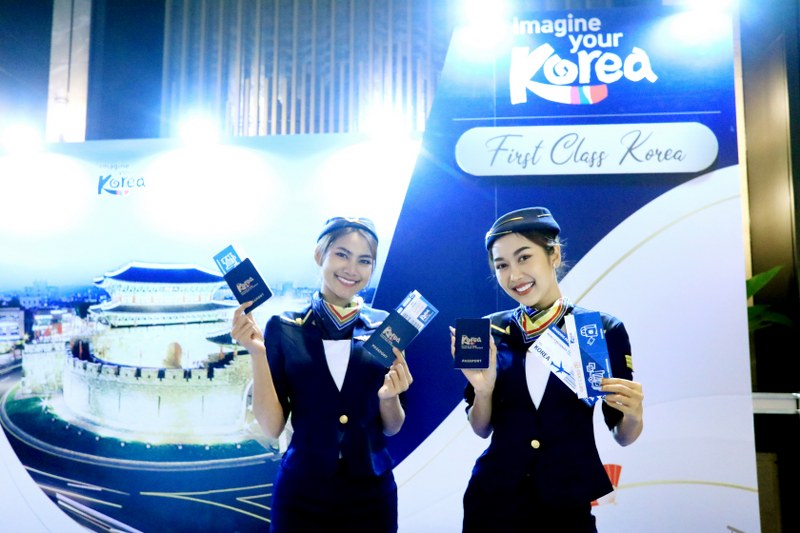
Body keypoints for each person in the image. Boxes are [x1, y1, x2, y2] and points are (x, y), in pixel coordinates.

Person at [452, 206, 644, 533]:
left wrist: (634, 415)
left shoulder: (596, 330)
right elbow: (481, 429)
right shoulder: (487, 331)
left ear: (554, 254)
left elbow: (622, 435)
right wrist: (483, 392)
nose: (514, 275)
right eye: (502, 265)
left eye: (524, 257)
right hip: (493, 502)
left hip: (566, 505)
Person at [231, 216, 413, 533]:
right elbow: (273, 427)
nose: (352, 269)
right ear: (320, 255)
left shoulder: (386, 327)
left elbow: (393, 427)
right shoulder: (284, 327)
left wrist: (389, 398)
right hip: (302, 494)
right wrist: (257, 355)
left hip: (371, 494)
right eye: (342, 254)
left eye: (364, 260)